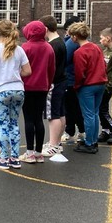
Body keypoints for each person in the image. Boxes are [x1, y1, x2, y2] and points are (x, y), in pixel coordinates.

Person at [0, 19, 31, 169]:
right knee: (14, 123)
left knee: (3, 125)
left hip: (1, 90)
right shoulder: (19, 50)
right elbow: (28, 71)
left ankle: (3, 159)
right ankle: (15, 158)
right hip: (18, 90)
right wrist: (15, 74)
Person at [67, 22, 107, 154]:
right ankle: (93, 140)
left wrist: (77, 86)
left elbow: (80, 73)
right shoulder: (96, 47)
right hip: (100, 83)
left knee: (88, 115)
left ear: (75, 36)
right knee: (94, 113)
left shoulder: (79, 52)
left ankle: (89, 143)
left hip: (88, 86)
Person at [18, 20, 55, 163]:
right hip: (42, 87)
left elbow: (20, 68)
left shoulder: (25, 47)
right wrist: (48, 83)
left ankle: (29, 153)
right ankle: (39, 153)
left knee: (29, 119)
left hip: (27, 87)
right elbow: (52, 69)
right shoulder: (48, 48)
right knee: (39, 119)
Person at [39, 15, 67, 158]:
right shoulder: (60, 42)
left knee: (53, 115)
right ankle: (56, 142)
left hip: (54, 83)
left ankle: (53, 145)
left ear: (45, 28)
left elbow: (50, 67)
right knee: (60, 113)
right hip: (61, 81)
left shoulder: (52, 46)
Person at [62, 16, 84, 144]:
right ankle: (81, 131)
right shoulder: (78, 42)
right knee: (76, 107)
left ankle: (71, 132)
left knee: (70, 108)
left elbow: (64, 59)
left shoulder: (71, 42)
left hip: (70, 79)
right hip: (76, 79)